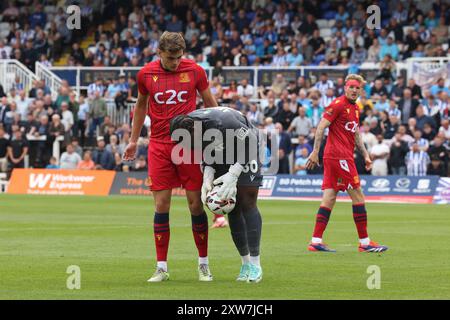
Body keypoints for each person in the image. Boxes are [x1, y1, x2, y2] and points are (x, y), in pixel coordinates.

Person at [122, 32, 219, 283]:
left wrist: (219, 134)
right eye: (170, 58)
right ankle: (162, 268)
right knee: (161, 205)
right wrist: (134, 140)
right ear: (159, 54)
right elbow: (141, 106)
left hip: (189, 145)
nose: (175, 62)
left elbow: (210, 103)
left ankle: (204, 265)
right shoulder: (145, 74)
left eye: (178, 57)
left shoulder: (195, 70)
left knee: (195, 204)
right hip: (159, 145)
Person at [169, 107, 264, 283]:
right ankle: (245, 263)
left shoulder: (224, 123)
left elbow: (250, 141)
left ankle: (256, 264)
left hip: (247, 146)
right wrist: (208, 174)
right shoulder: (188, 127)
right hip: (222, 152)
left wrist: (234, 172)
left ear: (193, 130)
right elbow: (206, 151)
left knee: (247, 201)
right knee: (232, 207)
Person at [306, 74, 388, 253]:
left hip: (342, 157)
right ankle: (365, 243)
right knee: (358, 195)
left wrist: (366, 155)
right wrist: (314, 152)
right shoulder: (338, 105)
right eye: (351, 86)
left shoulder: (355, 108)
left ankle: (315, 241)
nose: (353, 90)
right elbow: (321, 127)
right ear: (345, 88)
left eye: (357, 88)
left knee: (330, 197)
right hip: (338, 157)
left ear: (361, 90)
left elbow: (356, 134)